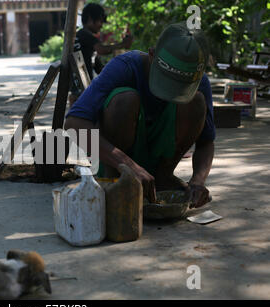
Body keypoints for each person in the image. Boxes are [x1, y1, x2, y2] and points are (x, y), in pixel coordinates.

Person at [64, 22, 215, 209]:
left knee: (196, 101)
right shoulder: (125, 66)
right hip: (116, 163)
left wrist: (198, 181)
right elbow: (73, 124)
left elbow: (206, 143)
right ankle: (114, 180)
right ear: (151, 55)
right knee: (125, 99)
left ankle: (162, 177)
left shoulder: (200, 82)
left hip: (160, 164)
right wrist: (127, 165)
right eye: (166, 81)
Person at [69, 3, 133, 106]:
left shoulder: (85, 37)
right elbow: (102, 50)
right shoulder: (84, 34)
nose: (102, 25)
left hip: (81, 86)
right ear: (90, 19)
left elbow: (99, 68)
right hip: (79, 88)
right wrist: (122, 45)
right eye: (100, 21)